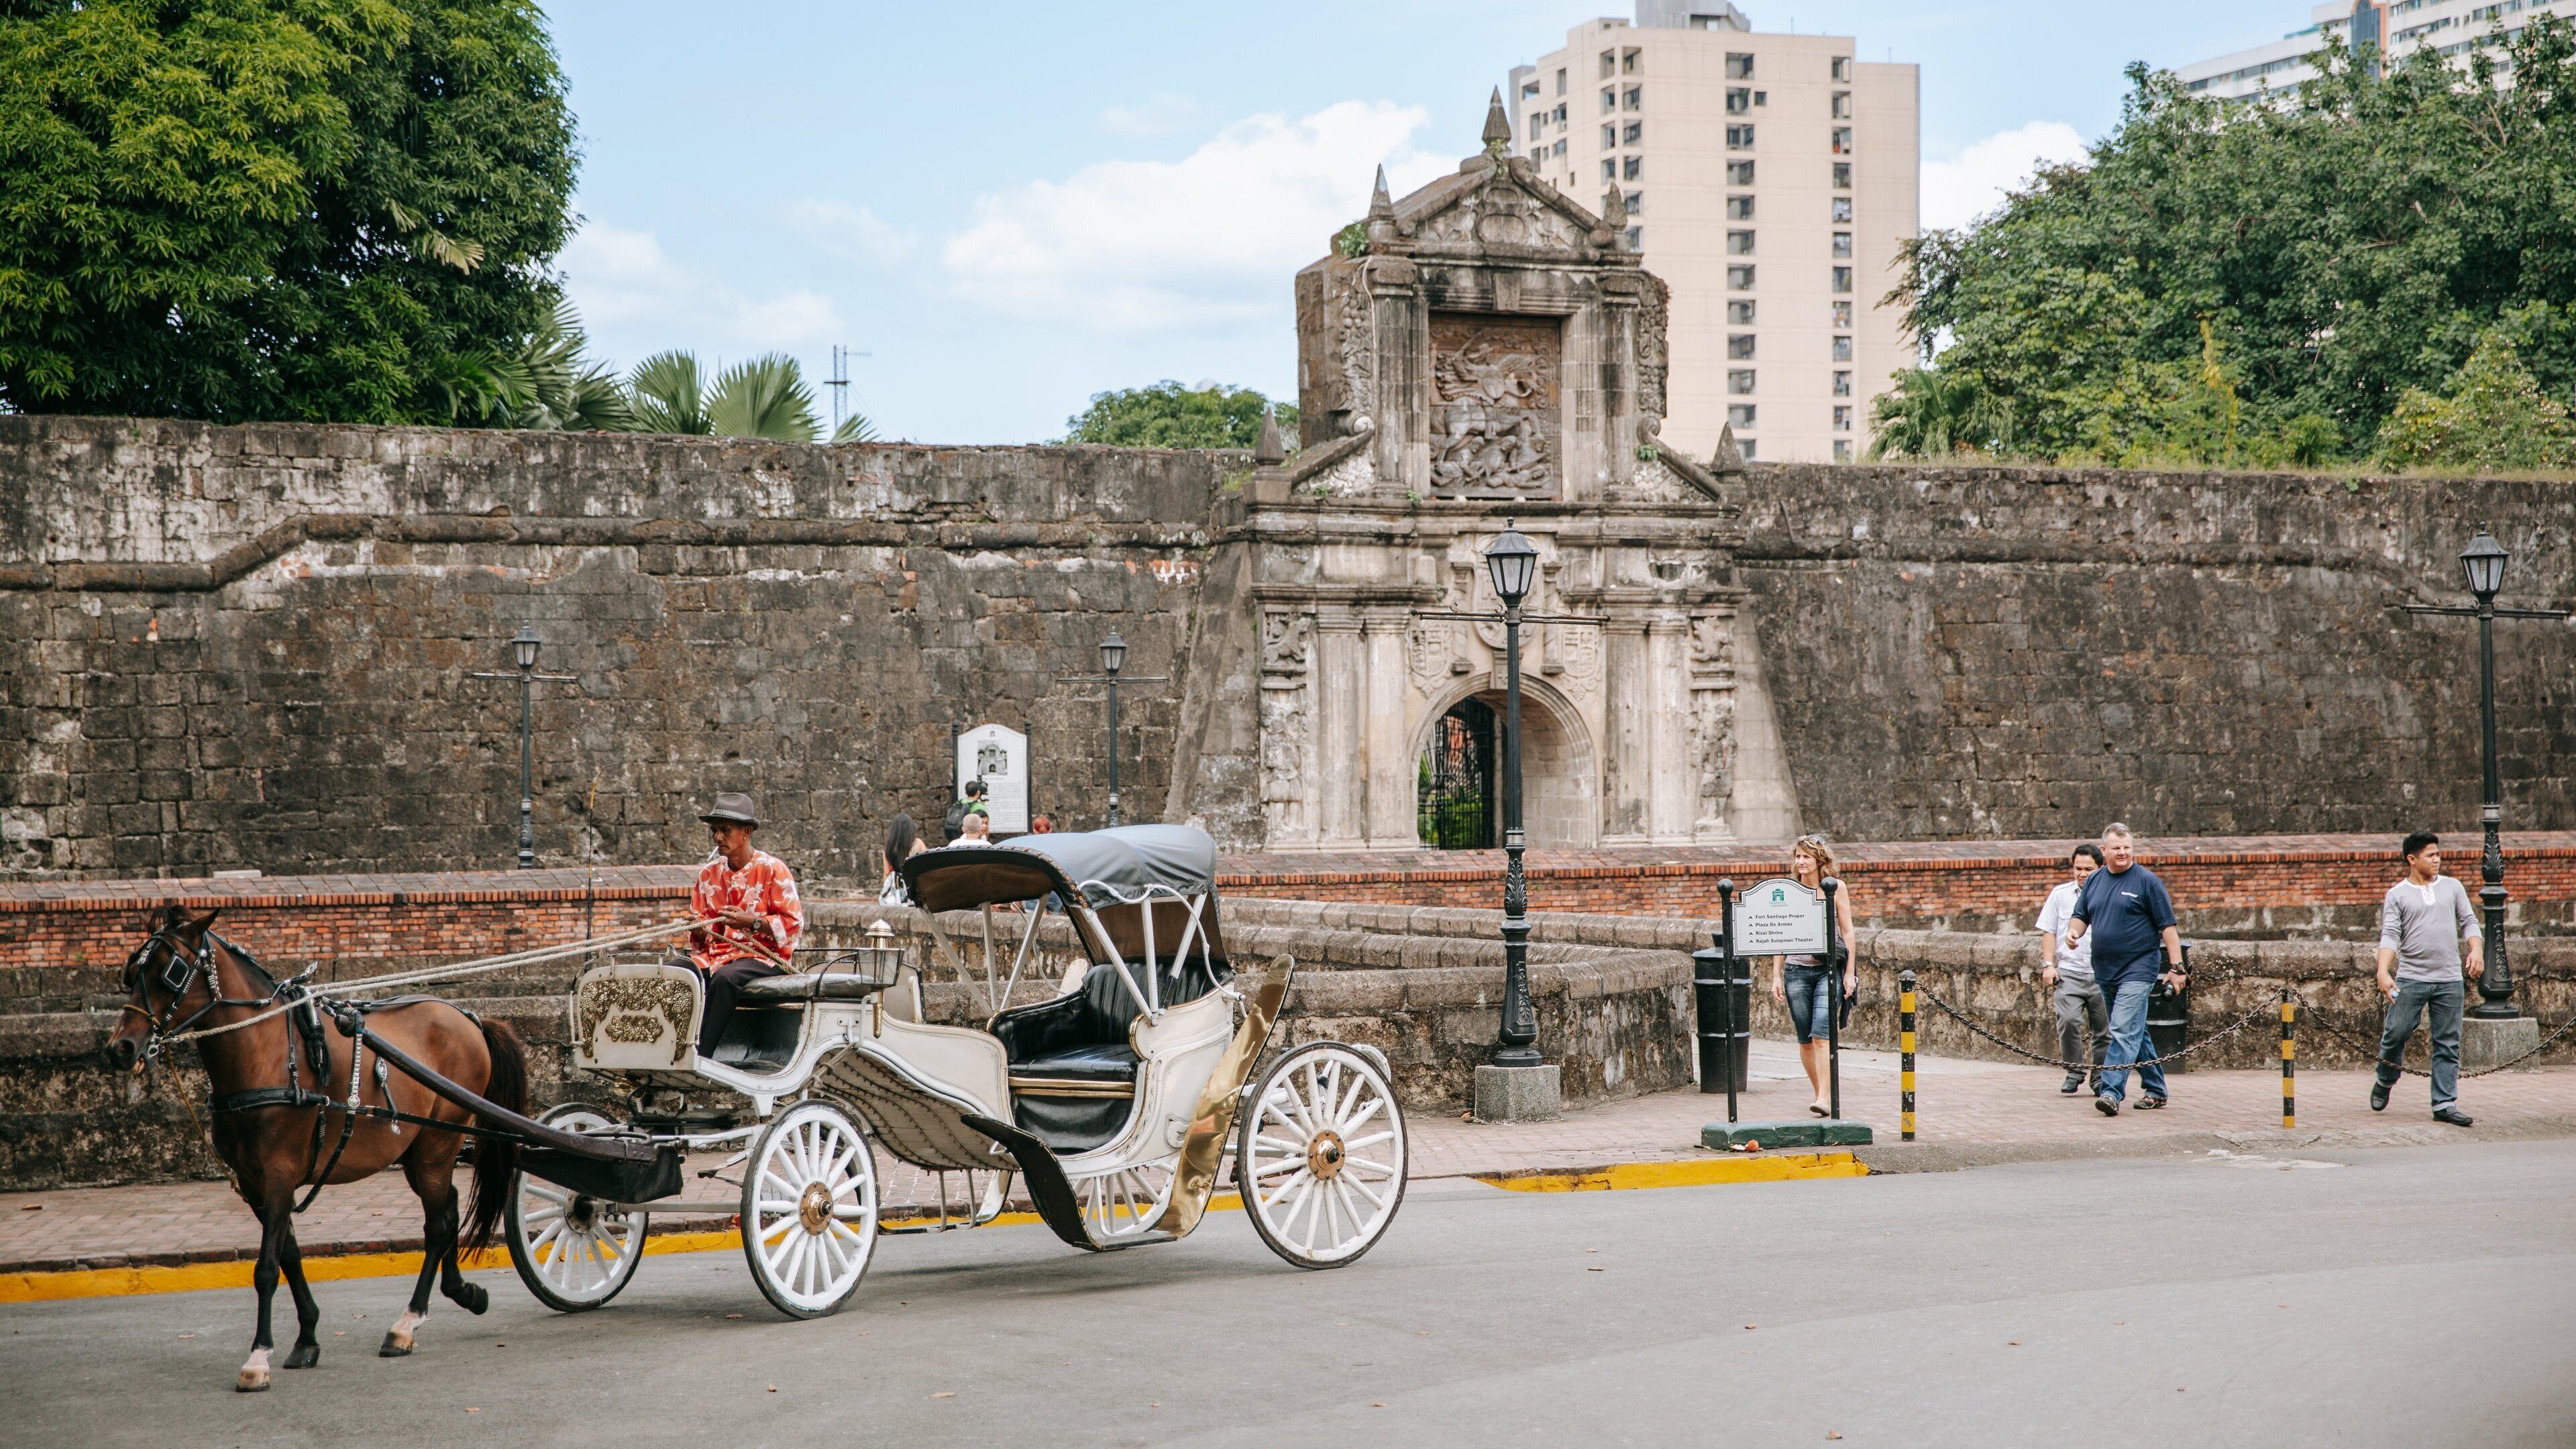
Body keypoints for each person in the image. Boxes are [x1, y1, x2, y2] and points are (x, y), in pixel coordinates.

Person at [2065, 822, 2185, 1116]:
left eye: (2127, 847)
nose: (2123, 853)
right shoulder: (2094, 881)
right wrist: (2073, 933)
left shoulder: (2147, 882)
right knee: (2134, 1030)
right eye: (2117, 848)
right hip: (2105, 970)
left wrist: (2176, 967)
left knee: (2120, 1029)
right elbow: (2081, 916)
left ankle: (2111, 1092)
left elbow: (2168, 928)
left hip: (2138, 968)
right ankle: (2156, 1090)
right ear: (2104, 850)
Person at [675, 792, 803, 1057]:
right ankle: (669, 1047)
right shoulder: (708, 874)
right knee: (675, 972)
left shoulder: (773, 869)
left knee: (726, 979)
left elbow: (793, 925)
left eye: (725, 830)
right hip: (715, 957)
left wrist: (753, 923)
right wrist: (698, 928)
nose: (717, 837)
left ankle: (700, 1056)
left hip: (762, 957)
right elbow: (701, 939)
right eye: (714, 831)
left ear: (746, 832)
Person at [2372, 830, 2481, 1126]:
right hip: (2411, 978)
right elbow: (2391, 935)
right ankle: (2385, 1078)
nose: (2437, 859)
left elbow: (2469, 921)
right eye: (2430, 855)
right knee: (2396, 1033)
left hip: (2449, 980)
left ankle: (2444, 1104)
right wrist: (2383, 971)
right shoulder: (2397, 894)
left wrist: (2476, 950)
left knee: (2447, 1043)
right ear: (2412, 859)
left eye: (2438, 854)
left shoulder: (2453, 887)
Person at [1768, 834, 1857, 1118]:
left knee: (1821, 1035)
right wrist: (1776, 976)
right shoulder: (1789, 891)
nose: (1800, 861)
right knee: (1805, 1039)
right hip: (1796, 971)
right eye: (1797, 856)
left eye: (1806, 856)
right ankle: (1822, 1094)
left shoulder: (1835, 888)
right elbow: (1780, 934)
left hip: (1827, 971)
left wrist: (1850, 974)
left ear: (1820, 859)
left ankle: (1823, 1096)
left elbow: (1848, 932)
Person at [2036, 843, 2109, 1095]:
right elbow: (2049, 930)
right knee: (2067, 1021)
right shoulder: (2060, 894)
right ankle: (2074, 1070)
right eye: (2078, 868)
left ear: (2101, 867)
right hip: (2069, 970)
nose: (2082, 873)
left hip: (2103, 972)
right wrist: (2048, 965)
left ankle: (2100, 1076)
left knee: (2104, 1029)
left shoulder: (2110, 892)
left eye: (2088, 869)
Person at [879, 813, 922, 906]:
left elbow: (886, 873)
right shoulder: (918, 844)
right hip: (915, 889)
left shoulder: (888, 848)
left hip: (897, 892)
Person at [943, 777, 987, 845]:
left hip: (958, 836)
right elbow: (985, 824)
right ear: (978, 792)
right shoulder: (979, 807)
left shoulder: (960, 803)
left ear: (966, 792)